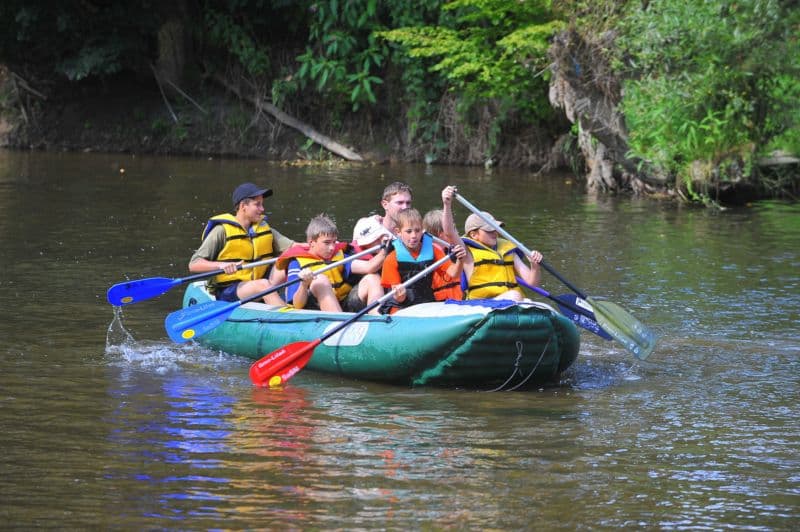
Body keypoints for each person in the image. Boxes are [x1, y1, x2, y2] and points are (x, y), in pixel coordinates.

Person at [189, 182, 294, 305]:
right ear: (243, 206)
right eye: (257, 205)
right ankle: (287, 316)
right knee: (263, 285)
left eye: (262, 204)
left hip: (258, 285)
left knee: (289, 263)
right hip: (229, 291)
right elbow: (194, 264)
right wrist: (220, 265)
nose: (262, 209)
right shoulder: (221, 231)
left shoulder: (264, 229)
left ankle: (297, 304)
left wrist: (317, 247)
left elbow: (294, 248)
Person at [279, 215, 388, 313]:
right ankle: (340, 324)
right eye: (326, 243)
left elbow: (369, 267)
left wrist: (385, 250)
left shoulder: (338, 256)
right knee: (320, 280)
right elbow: (297, 305)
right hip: (315, 310)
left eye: (333, 242)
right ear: (312, 243)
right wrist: (303, 284)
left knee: (372, 277)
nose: (332, 248)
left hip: (342, 303)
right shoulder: (296, 263)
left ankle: (377, 317)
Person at [380, 208, 466, 314]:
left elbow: (453, 273)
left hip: (426, 303)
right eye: (409, 231)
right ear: (398, 232)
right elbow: (399, 298)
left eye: (417, 230)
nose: (414, 236)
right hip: (401, 306)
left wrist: (460, 260)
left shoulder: (432, 250)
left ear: (422, 230)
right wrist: (400, 294)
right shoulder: (392, 258)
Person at [460, 211, 543, 301]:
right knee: (514, 295)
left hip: (510, 300)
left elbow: (533, 283)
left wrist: (534, 265)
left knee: (520, 298)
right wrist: (447, 204)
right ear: (473, 235)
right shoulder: (467, 252)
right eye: (489, 230)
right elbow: (450, 233)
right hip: (480, 304)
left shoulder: (507, 250)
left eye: (496, 229)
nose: (495, 233)